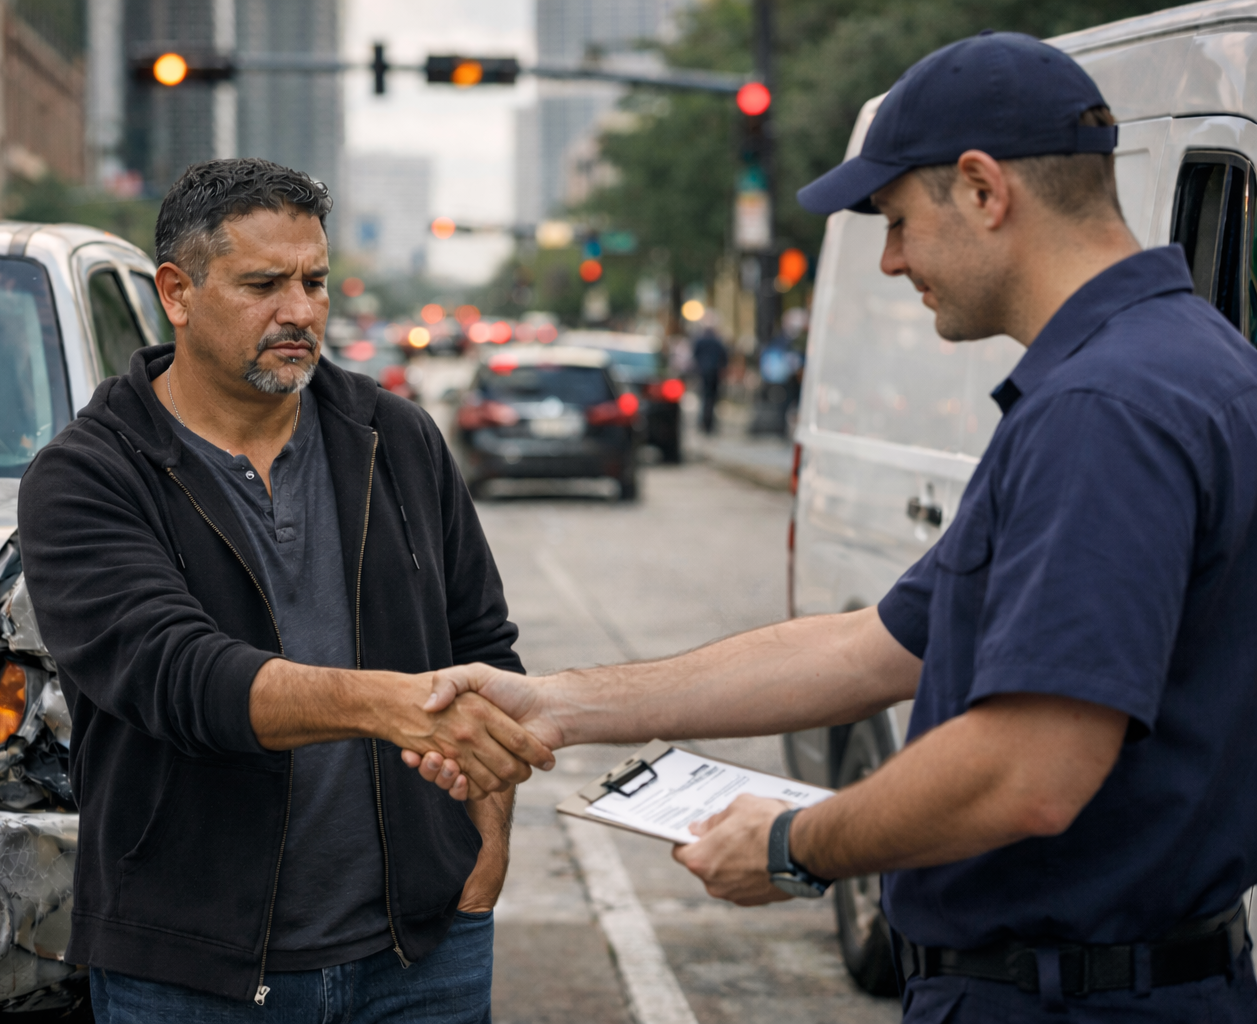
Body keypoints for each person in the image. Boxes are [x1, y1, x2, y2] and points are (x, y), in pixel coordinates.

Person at [407, 32, 1257, 1022]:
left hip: (1070, 997)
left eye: (897, 220)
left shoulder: (1101, 407)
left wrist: (792, 848)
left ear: (984, 190)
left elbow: (1032, 772)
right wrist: (556, 702)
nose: (891, 260)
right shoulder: (1185, 359)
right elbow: (874, 645)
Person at [17, 158, 551, 1024]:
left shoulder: (397, 437)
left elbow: (483, 646)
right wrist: (388, 704)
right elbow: (180, 675)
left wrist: (484, 846)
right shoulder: (86, 476)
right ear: (178, 293)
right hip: (191, 967)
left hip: (422, 952)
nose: (300, 310)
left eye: (314, 281)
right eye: (264, 284)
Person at [690, 321, 727, 434]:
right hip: (714, 373)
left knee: (705, 398)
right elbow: (724, 357)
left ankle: (704, 422)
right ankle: (708, 423)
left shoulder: (700, 341)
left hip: (704, 373)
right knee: (711, 398)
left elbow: (694, 355)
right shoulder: (717, 341)